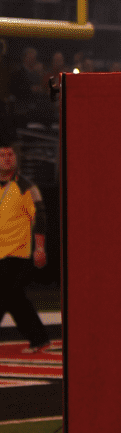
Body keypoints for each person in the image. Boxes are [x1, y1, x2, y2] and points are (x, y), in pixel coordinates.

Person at [0, 142, 51, 353]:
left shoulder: (26, 186)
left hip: (18, 253)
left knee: (5, 295)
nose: (7, 158)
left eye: (10, 154)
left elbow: (40, 217)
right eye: (2, 155)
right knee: (14, 298)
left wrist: (40, 248)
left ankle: (39, 338)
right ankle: (39, 338)